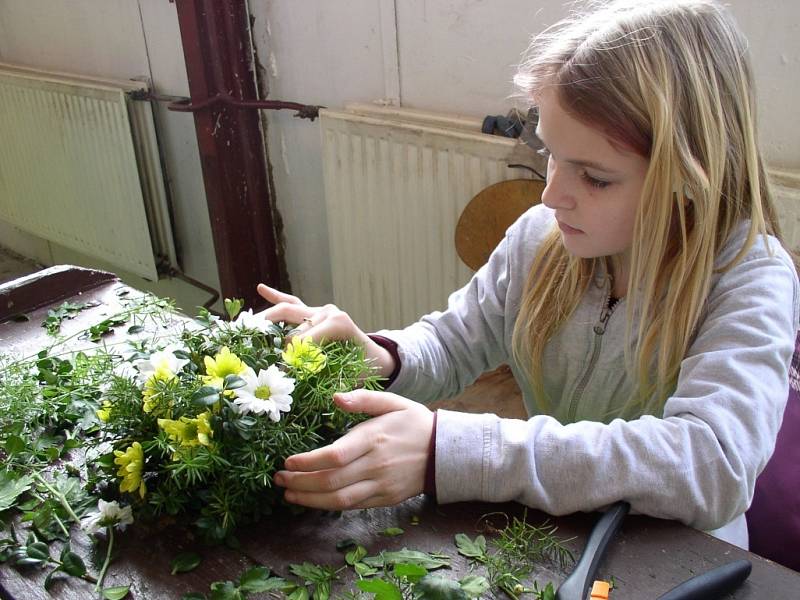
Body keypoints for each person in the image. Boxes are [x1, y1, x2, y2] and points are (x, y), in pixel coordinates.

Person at [259, 0, 799, 550]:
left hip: (678, 561)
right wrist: (382, 356)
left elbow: (712, 467)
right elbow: (451, 342)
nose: (550, 194)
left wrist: (457, 450)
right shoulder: (542, 235)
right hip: (554, 535)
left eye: (594, 177)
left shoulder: (750, 279)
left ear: (688, 174)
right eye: (550, 154)